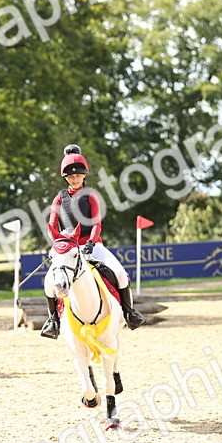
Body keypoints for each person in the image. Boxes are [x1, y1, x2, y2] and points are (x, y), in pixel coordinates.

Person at [40, 144, 145, 339]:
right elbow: (52, 225)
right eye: (70, 176)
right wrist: (57, 244)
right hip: (68, 248)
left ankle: (130, 313)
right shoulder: (58, 199)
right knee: (49, 282)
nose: (74, 178)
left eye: (78, 175)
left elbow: (97, 223)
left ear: (84, 175)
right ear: (65, 178)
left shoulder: (91, 196)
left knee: (120, 274)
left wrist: (90, 242)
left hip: (92, 244)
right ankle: (53, 321)